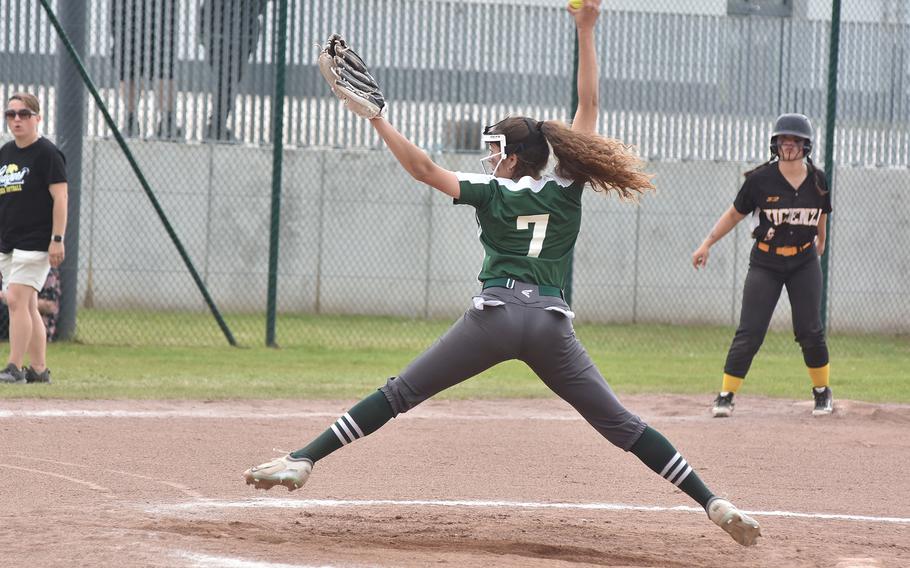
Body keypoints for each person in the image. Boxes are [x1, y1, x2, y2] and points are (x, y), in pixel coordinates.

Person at [244, 2, 761, 547]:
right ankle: (713, 501)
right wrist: (586, 30)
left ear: (515, 157)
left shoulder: (490, 190)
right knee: (624, 427)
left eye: (496, 150)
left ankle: (304, 458)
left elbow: (422, 169)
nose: (490, 158)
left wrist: (375, 117)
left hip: (494, 316)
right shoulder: (567, 187)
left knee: (400, 394)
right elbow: (589, 102)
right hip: (550, 327)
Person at [692, 113, 833, 418]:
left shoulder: (818, 178)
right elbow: (733, 214)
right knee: (750, 331)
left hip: (804, 260)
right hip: (766, 261)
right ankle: (726, 395)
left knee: (809, 329)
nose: (789, 145)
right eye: (784, 139)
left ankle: (822, 392)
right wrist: (707, 243)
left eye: (795, 140)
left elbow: (822, 211)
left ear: (806, 145)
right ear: (775, 144)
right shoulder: (760, 180)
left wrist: (821, 241)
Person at [0, 93, 67, 385]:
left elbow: (61, 198)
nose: (17, 119)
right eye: (11, 114)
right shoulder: (5, 154)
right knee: (26, 305)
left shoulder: (48, 154)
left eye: (24, 114)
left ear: (37, 118)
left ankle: (14, 367)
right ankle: (38, 370)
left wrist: (57, 238)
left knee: (15, 299)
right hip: (7, 241)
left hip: (37, 240)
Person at [110, 0, 183, 139]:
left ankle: (167, 121)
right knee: (128, 66)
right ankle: (131, 120)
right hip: (129, 12)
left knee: (162, 65)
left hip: (159, 12)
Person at [198, 0, 269, 141]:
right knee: (228, 77)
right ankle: (216, 125)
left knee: (228, 78)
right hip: (225, 26)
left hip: (236, 27)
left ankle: (217, 124)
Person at [0, 267, 61, 345]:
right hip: (12, 312)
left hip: (39, 319)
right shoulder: (10, 267)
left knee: (13, 309)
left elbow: (50, 306)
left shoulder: (46, 272)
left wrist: (19, 301)